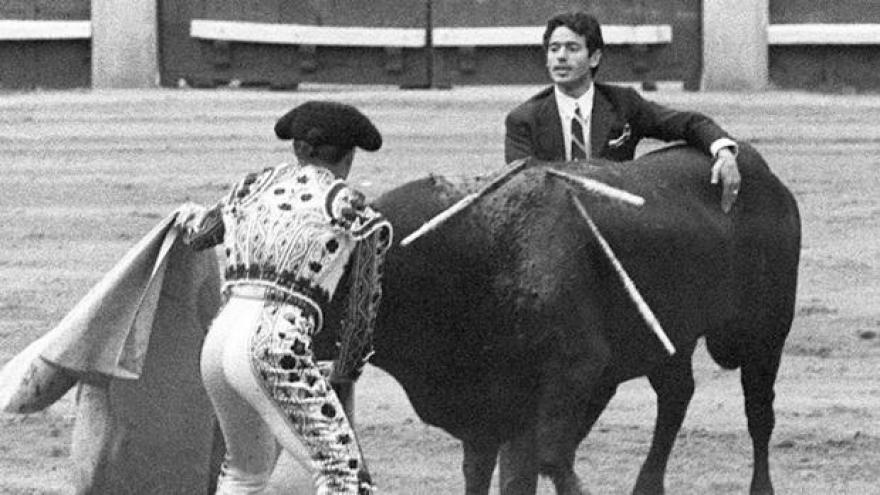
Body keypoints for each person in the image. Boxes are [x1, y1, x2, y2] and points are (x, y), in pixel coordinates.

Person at [175, 101, 392, 495]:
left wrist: (186, 215)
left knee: (244, 473)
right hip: (273, 344)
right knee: (341, 474)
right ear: (349, 157)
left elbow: (198, 236)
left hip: (219, 343)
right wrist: (345, 371)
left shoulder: (250, 187)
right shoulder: (356, 214)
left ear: (297, 149)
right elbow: (361, 314)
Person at [505, 11, 742, 213]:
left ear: (594, 57)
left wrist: (723, 152)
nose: (561, 57)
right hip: (554, 226)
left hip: (618, 222)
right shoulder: (523, 119)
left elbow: (689, 123)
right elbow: (523, 187)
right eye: (554, 49)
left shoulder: (623, 103)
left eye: (572, 48)